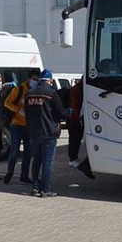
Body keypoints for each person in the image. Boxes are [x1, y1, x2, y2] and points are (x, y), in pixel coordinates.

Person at [25, 69, 70, 197]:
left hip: (34, 132)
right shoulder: (51, 93)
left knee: (36, 160)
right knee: (47, 162)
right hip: (49, 132)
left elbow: (26, 114)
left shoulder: (28, 94)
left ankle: (35, 187)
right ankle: (45, 189)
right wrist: (70, 112)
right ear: (50, 80)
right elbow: (61, 112)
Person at [2, 68, 41, 185]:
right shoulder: (19, 89)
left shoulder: (38, 90)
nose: (36, 81)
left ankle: (24, 175)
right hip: (17, 125)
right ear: (29, 78)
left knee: (28, 153)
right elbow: (7, 103)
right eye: (34, 79)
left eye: (38, 80)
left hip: (30, 126)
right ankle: (10, 172)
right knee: (14, 151)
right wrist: (18, 110)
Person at [67, 77, 95, 179]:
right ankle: (74, 158)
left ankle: (76, 159)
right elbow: (75, 105)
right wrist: (79, 118)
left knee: (76, 138)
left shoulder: (79, 89)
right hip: (76, 119)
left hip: (77, 118)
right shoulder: (77, 89)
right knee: (75, 138)